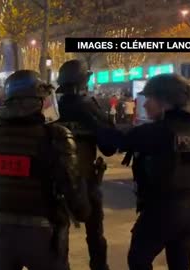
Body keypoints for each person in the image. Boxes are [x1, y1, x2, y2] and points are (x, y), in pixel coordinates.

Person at [0, 70, 91, 270]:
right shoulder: (56, 136)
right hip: (43, 236)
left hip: (1, 233)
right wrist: (84, 211)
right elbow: (73, 189)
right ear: (38, 100)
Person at [99, 74, 190, 270]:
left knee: (138, 259)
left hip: (162, 211)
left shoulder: (158, 132)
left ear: (165, 102)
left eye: (150, 99)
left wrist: (95, 122)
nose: (145, 105)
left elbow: (117, 139)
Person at [55, 59, 116, 270]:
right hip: (87, 182)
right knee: (95, 236)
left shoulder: (53, 110)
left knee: (59, 237)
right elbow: (109, 146)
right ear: (82, 82)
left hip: (57, 184)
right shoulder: (89, 108)